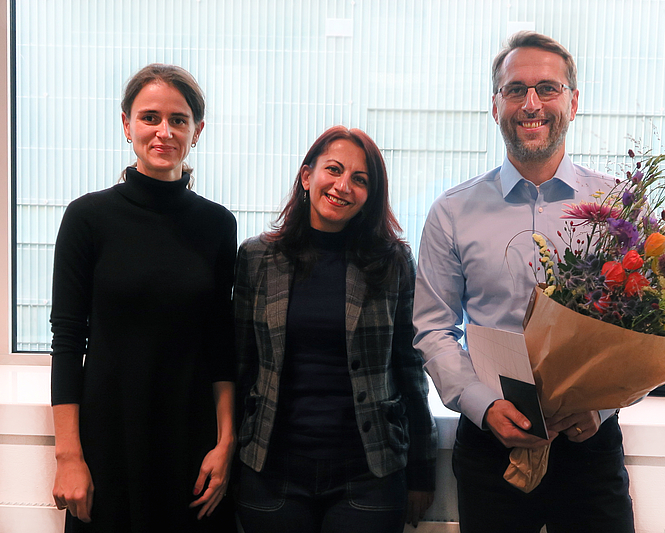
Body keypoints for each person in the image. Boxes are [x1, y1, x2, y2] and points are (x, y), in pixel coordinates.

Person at [413, 32, 635, 532]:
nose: (531, 104)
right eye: (515, 90)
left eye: (547, 88)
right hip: (490, 446)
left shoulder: (617, 208)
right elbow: (432, 328)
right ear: (495, 106)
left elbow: (648, 329)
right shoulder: (452, 212)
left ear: (573, 102)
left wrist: (601, 407)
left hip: (589, 444)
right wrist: (484, 406)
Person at [50, 64, 238, 532]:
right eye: (150, 117)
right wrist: (69, 457)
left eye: (178, 120)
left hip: (192, 443)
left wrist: (225, 444)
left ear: (197, 132)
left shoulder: (218, 225)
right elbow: (68, 342)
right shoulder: (87, 218)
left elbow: (221, 344)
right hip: (109, 441)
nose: (163, 131)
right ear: (127, 124)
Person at [233, 126, 437, 533]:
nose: (343, 186)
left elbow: (410, 369)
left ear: (369, 196)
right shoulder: (257, 258)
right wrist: (225, 456)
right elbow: (240, 364)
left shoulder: (393, 263)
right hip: (270, 470)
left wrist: (422, 470)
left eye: (360, 179)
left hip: (369, 473)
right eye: (334, 170)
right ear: (307, 176)